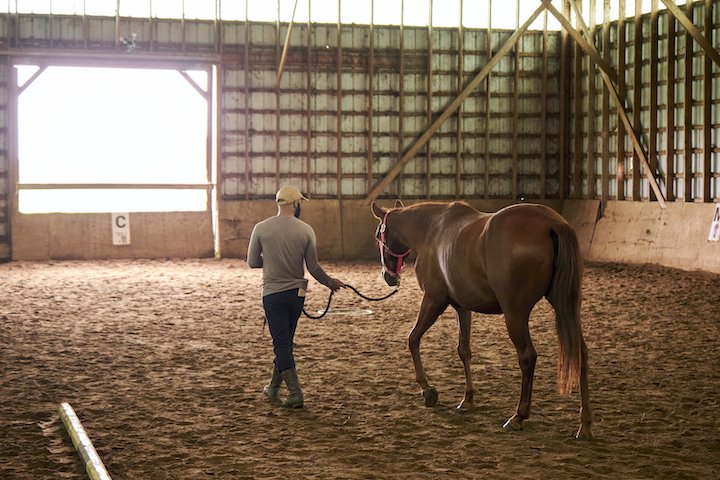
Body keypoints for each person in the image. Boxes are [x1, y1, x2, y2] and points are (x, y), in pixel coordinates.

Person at [247, 185, 345, 408]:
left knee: (281, 343)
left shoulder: (261, 228)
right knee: (285, 342)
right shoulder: (306, 230)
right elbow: (314, 267)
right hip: (296, 294)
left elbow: (252, 261)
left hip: (272, 293)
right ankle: (273, 388)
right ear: (294, 204)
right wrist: (331, 283)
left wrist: (271, 261)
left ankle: (294, 392)